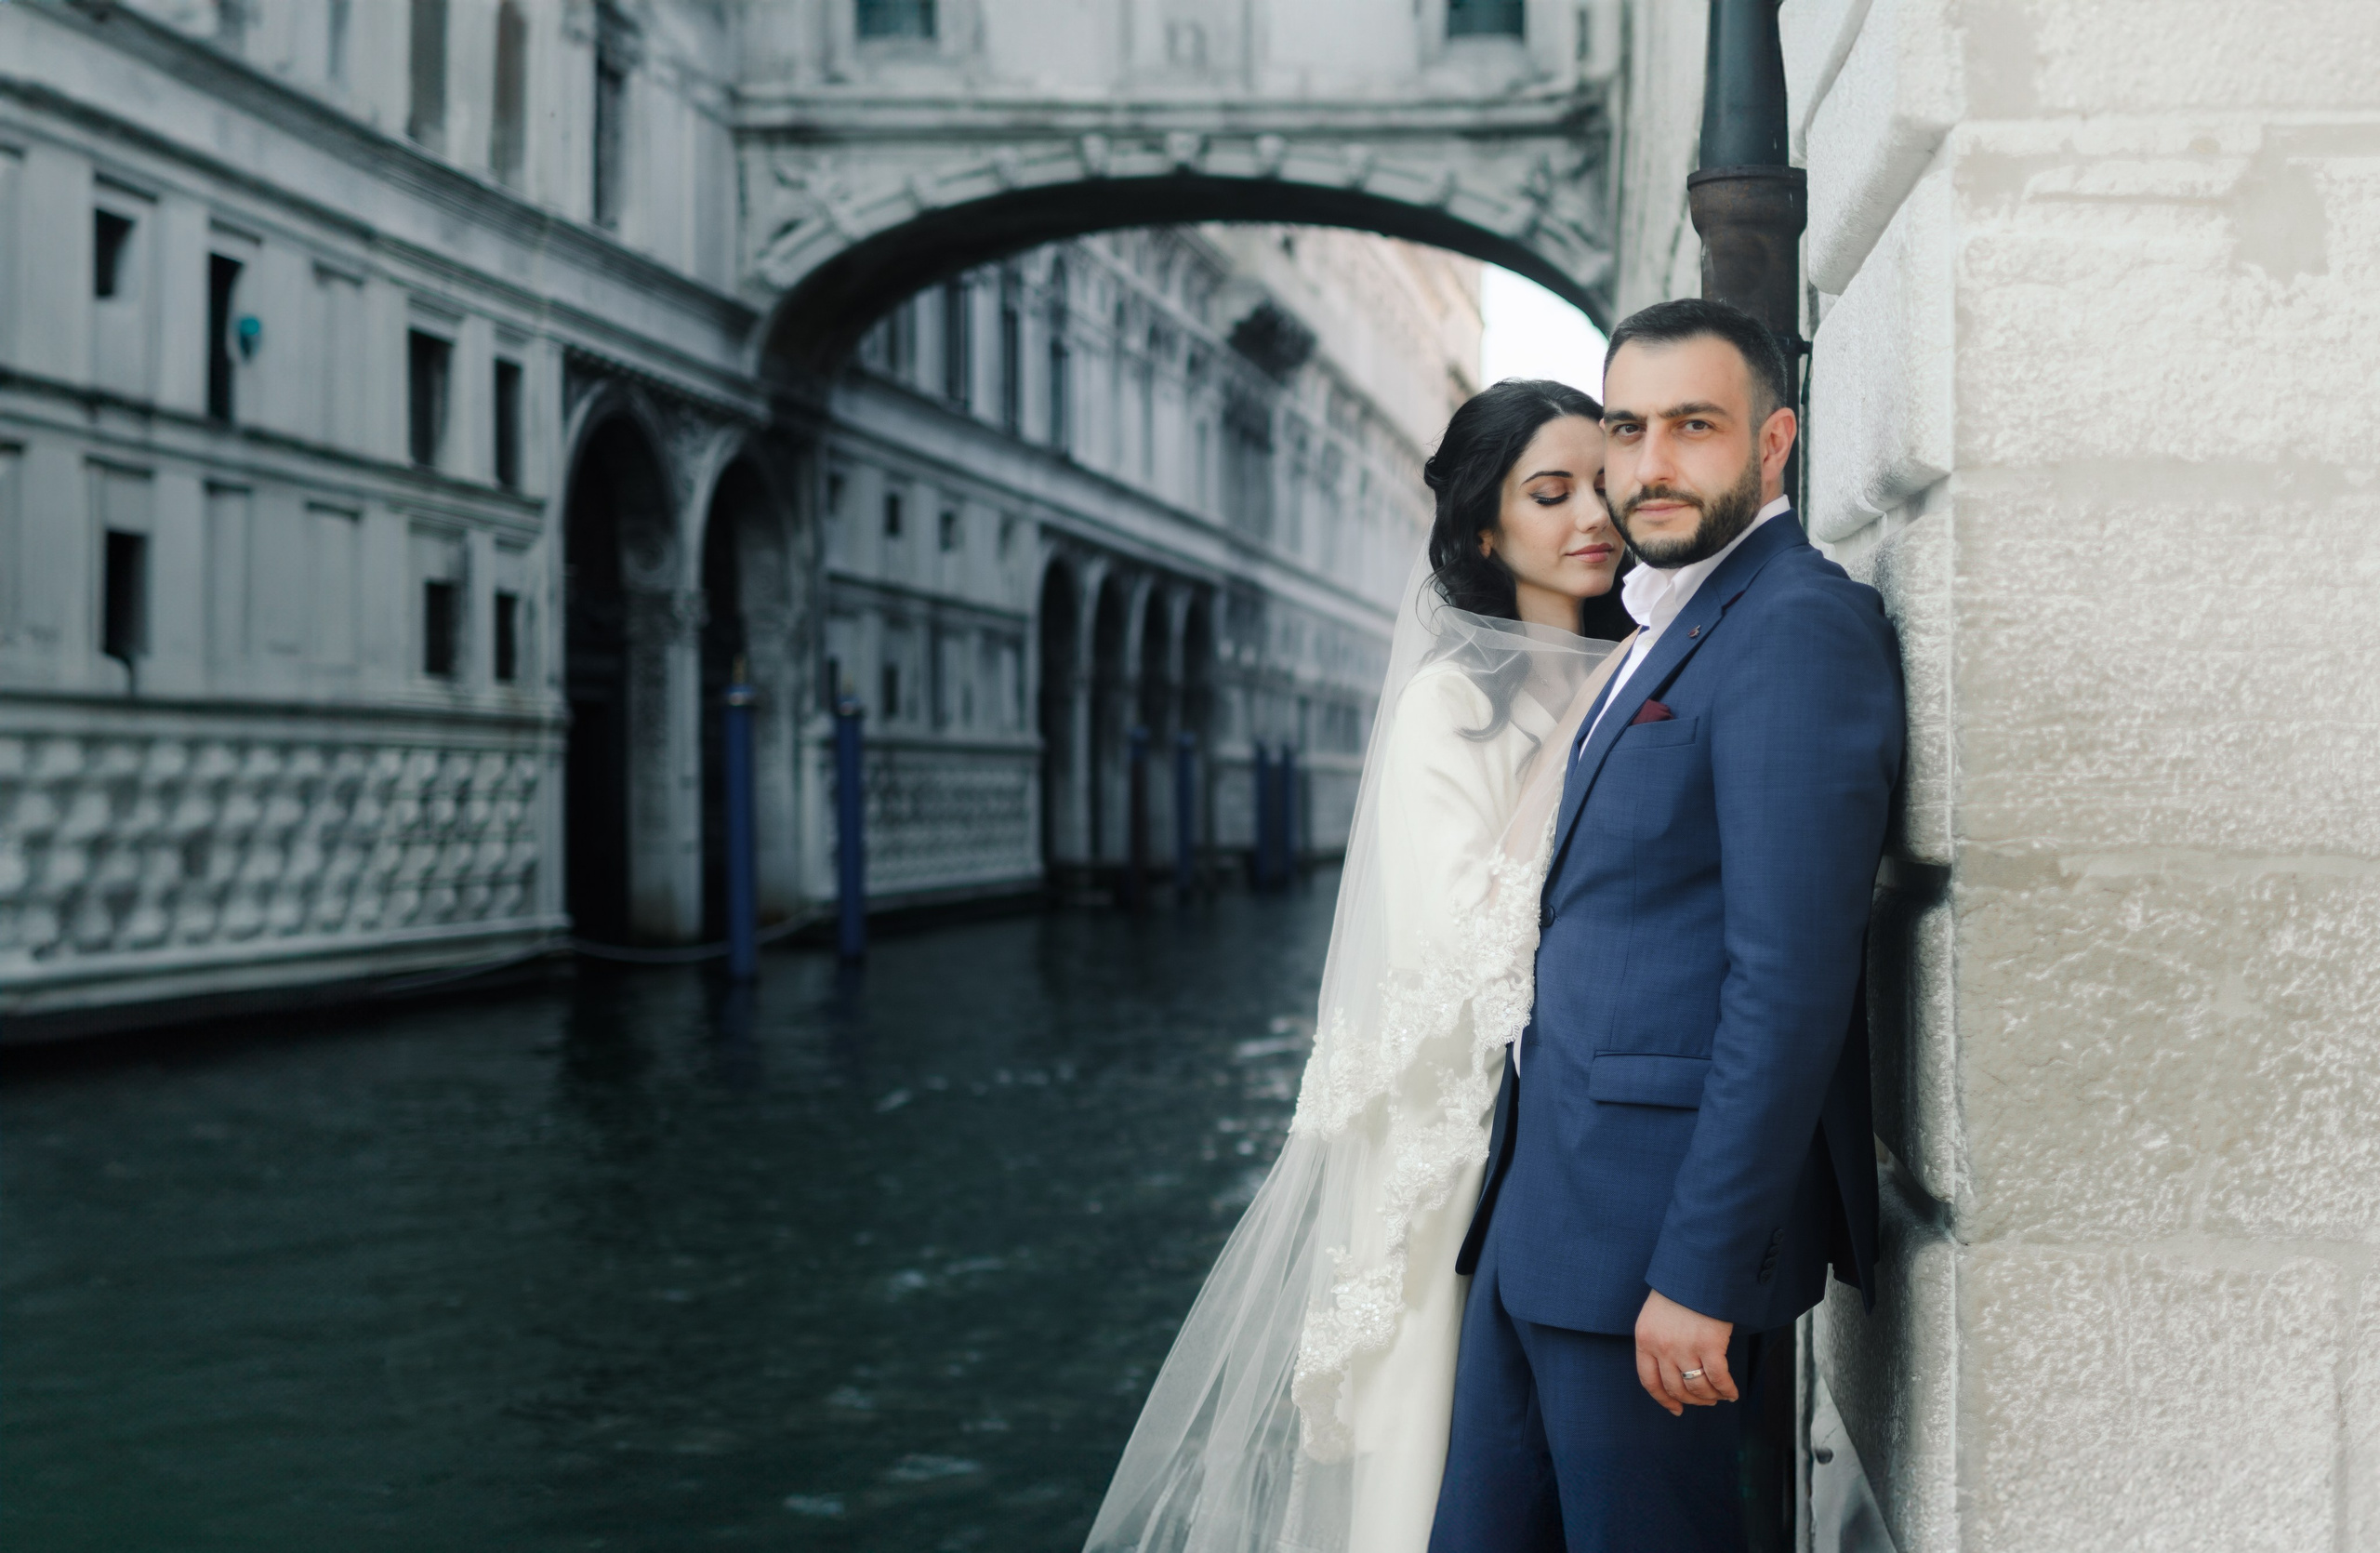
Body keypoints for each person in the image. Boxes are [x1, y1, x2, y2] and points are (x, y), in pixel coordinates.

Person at [1085, 379, 1631, 1553]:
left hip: (1579, 1126)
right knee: (1437, 1448)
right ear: (1486, 528)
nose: (1594, 511)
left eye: (1602, 482)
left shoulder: (1645, 667)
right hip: (1461, 1138)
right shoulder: (1452, 703)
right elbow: (1453, 942)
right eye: (1552, 491)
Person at [1428, 298, 1905, 1553]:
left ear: (1775, 440)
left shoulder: (1797, 626)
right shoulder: (1661, 628)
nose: (1648, 465)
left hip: (1652, 1250)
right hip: (1542, 1213)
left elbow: (1790, 979)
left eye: (1694, 426)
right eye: (1628, 428)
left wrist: (1699, 1268)